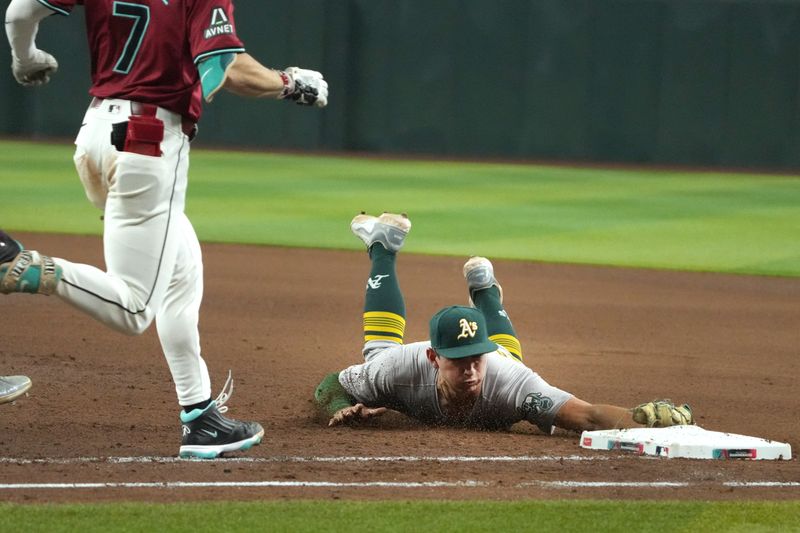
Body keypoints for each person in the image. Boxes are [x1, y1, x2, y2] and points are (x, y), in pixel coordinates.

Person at [3, 0, 328, 458]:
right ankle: (23, 266)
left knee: (182, 269)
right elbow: (223, 67)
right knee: (134, 308)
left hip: (95, 133)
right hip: (148, 143)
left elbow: (19, 12)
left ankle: (201, 418)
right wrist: (287, 84)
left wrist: (26, 57)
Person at [314, 213, 694, 433]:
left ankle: (486, 294)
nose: (470, 370)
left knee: (510, 358)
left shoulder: (510, 380)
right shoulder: (400, 368)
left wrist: (638, 420)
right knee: (378, 351)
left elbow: (588, 415)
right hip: (396, 363)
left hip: (507, 368)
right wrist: (338, 407)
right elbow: (331, 384)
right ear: (433, 357)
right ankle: (382, 248)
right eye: (458, 361)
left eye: (475, 358)